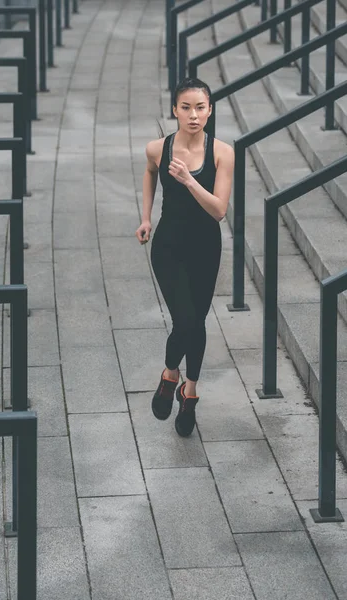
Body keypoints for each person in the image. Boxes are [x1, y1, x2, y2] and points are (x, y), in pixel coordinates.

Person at [135, 77, 234, 437]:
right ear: (175, 110)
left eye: (201, 107)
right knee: (187, 319)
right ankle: (170, 375)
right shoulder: (157, 149)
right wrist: (146, 217)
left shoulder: (222, 152)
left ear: (210, 110)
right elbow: (149, 174)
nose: (194, 115)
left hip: (205, 248)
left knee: (196, 322)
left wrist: (189, 180)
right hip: (169, 248)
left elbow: (219, 211)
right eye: (186, 107)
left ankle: (188, 390)